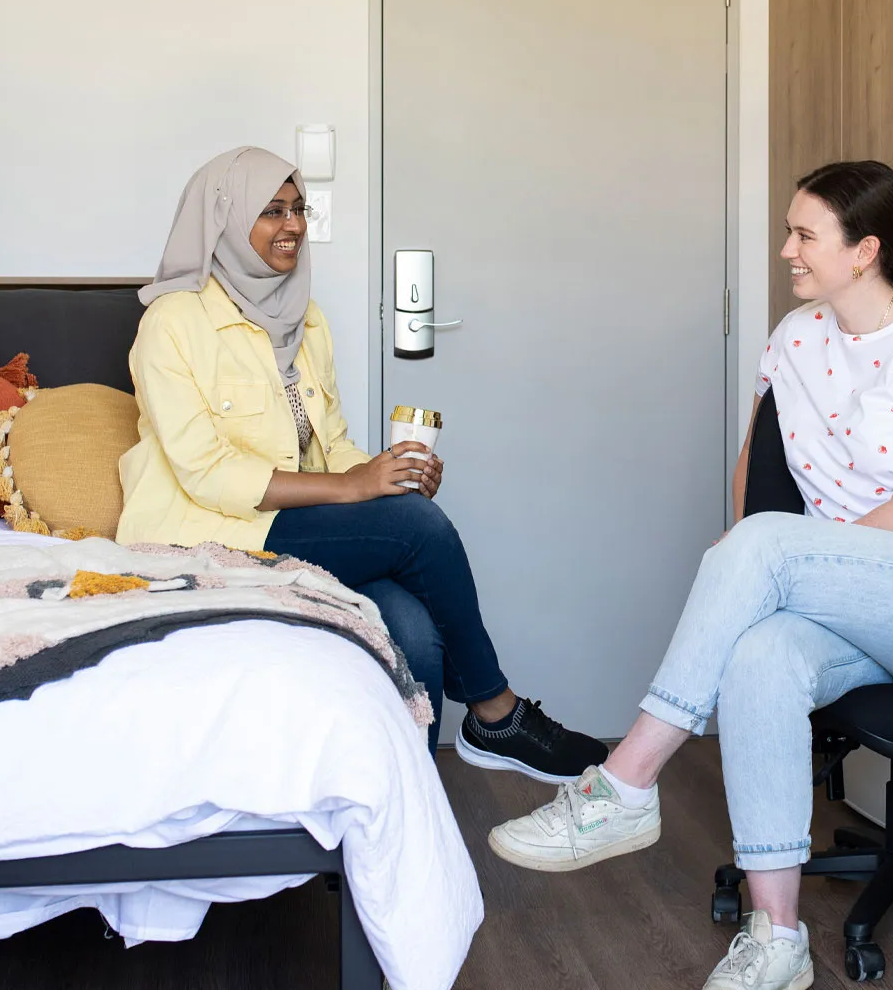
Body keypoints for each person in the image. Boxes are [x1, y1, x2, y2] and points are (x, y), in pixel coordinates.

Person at [487, 161, 893, 990]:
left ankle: (626, 783)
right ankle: (777, 937)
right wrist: (761, 568)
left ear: (866, 251)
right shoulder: (794, 339)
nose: (786, 250)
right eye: (789, 231)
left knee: (768, 546)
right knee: (758, 657)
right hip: (849, 599)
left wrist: (771, 560)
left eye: (805, 235)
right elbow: (755, 470)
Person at [116, 146, 606, 778]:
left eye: (297, 209)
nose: (292, 225)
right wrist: (353, 487)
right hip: (203, 529)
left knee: (413, 625)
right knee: (414, 528)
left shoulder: (303, 318)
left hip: (283, 518)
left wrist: (389, 470)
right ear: (225, 221)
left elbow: (330, 442)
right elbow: (205, 473)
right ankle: (495, 713)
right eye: (270, 211)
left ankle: (413, 803)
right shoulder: (172, 322)